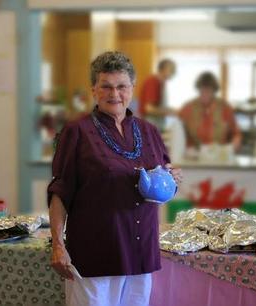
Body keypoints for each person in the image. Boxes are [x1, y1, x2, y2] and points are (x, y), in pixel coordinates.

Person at [47, 51, 183, 306]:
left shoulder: (149, 131)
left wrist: (172, 180)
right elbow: (60, 191)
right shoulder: (77, 132)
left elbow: (162, 184)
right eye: (106, 86)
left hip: (140, 253)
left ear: (132, 88)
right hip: (94, 252)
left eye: (122, 86)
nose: (114, 94)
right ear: (94, 90)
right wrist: (57, 244)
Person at [178, 72, 241, 151]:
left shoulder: (225, 108)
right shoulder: (188, 108)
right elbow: (178, 132)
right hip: (194, 157)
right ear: (198, 89)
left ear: (214, 91)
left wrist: (236, 141)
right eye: (202, 91)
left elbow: (235, 133)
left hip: (219, 156)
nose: (204, 94)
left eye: (208, 91)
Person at [139, 59, 176, 129]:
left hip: (157, 124)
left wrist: (171, 110)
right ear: (163, 69)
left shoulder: (162, 83)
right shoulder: (152, 81)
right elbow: (149, 109)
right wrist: (170, 112)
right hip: (148, 125)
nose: (174, 72)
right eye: (171, 69)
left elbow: (159, 106)